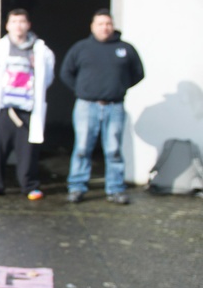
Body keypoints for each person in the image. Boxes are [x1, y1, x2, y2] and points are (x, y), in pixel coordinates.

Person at [60, 10, 144, 204]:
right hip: (86, 106)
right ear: (92, 26)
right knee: (82, 148)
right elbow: (66, 73)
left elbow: (138, 73)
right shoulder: (81, 48)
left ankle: (115, 189)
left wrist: (119, 87)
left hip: (114, 107)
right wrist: (82, 90)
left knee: (113, 149)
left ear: (112, 26)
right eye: (100, 24)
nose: (104, 27)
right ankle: (77, 187)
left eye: (108, 23)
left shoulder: (125, 49)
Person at [0, 9, 55, 201]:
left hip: (28, 109)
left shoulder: (40, 50)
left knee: (28, 151)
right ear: (7, 25)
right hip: (5, 108)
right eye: (14, 21)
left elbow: (47, 77)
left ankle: (30, 186)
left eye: (22, 21)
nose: (18, 25)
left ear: (28, 24)